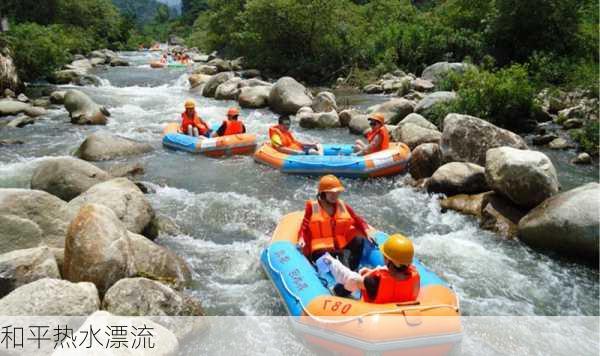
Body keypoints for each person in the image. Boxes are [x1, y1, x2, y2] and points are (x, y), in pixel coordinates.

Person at [297, 175, 375, 273]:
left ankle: (351, 269)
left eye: (337, 193)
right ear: (323, 193)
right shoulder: (312, 207)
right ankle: (347, 276)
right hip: (321, 250)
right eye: (332, 193)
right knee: (342, 256)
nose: (335, 196)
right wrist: (301, 238)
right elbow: (304, 226)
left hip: (339, 247)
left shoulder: (342, 205)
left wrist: (367, 232)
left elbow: (357, 219)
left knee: (359, 240)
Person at [320, 234, 420, 303]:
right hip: (399, 317)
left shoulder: (373, 281)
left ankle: (335, 288)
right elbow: (396, 277)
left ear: (388, 260)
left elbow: (351, 280)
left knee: (350, 280)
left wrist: (332, 262)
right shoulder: (415, 276)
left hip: (375, 322)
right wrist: (374, 271)